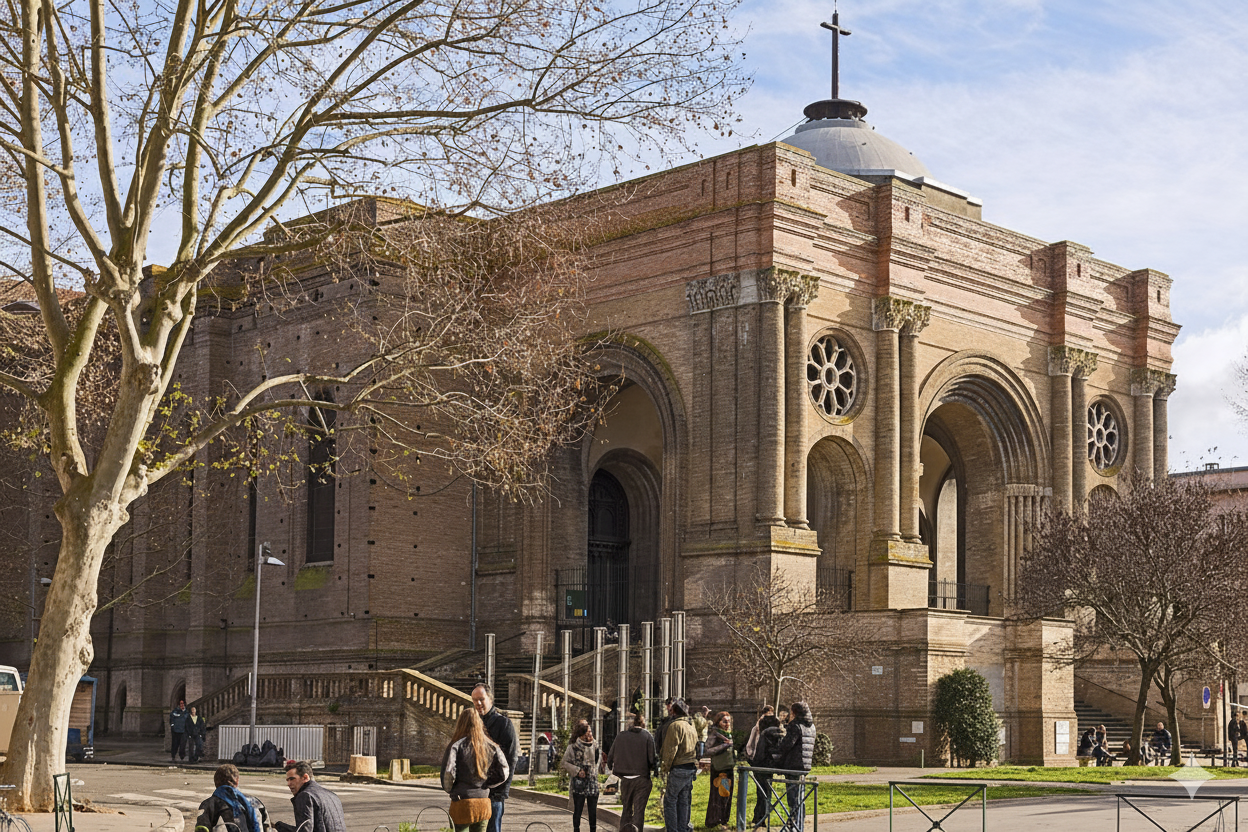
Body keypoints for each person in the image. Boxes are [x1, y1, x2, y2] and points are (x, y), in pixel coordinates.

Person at [441, 707, 510, 832]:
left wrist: (450, 789)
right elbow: (504, 771)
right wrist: (488, 784)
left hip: (462, 801)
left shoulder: (457, 745)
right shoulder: (492, 745)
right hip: (483, 802)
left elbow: (449, 772)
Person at [471, 683, 518, 832]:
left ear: (490, 699)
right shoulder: (472, 723)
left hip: (494, 793)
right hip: (475, 791)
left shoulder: (504, 724)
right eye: (474, 700)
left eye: (481, 699)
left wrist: (501, 792)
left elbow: (511, 759)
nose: (478, 703)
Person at [607, 712, 656, 832]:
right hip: (641, 778)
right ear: (643, 723)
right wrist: (653, 770)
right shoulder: (647, 736)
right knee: (639, 810)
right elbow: (652, 759)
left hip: (625, 778)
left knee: (626, 809)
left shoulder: (621, 736)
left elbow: (610, 757)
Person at [770, 703, 815, 832]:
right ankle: (799, 825)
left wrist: (776, 751)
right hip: (804, 765)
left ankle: (794, 826)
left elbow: (787, 745)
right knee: (800, 798)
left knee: (793, 798)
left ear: (794, 713)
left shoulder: (795, 726)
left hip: (793, 765)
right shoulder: (811, 726)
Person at [659, 698, 698, 832]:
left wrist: (665, 768)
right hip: (690, 767)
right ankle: (683, 828)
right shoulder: (691, 725)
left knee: (670, 801)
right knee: (684, 801)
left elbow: (671, 749)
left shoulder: (675, 726)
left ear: (674, 711)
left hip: (678, 767)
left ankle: (672, 830)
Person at [195, 763, 271, 832]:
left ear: (216, 782)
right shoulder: (256, 802)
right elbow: (268, 828)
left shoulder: (208, 805)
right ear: (237, 781)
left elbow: (202, 828)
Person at [275, 760, 346, 832]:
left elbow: (305, 830)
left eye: (292, 779)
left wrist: (277, 827)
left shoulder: (305, 795)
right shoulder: (333, 795)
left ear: (305, 777)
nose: (289, 784)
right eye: (287, 780)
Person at [562, 720, 603, 832]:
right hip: (579, 783)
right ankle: (576, 829)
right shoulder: (573, 747)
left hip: (592, 782)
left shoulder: (595, 745)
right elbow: (564, 762)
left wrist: (593, 771)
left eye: (590, 731)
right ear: (582, 733)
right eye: (588, 731)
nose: (590, 734)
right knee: (578, 810)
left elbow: (597, 761)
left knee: (593, 811)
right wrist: (577, 770)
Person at [748, 712, 783, 828]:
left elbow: (760, 753)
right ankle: (762, 817)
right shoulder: (779, 733)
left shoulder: (765, 734)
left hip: (761, 766)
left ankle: (759, 818)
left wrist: (754, 763)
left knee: (761, 794)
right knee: (767, 794)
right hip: (771, 766)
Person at [703, 711, 735, 830]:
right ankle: (717, 820)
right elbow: (707, 750)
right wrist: (724, 746)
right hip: (720, 770)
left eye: (729, 721)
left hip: (728, 768)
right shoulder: (715, 734)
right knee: (720, 795)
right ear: (719, 722)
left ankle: (723, 820)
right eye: (724, 721)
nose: (727, 724)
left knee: (726, 795)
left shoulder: (727, 734)